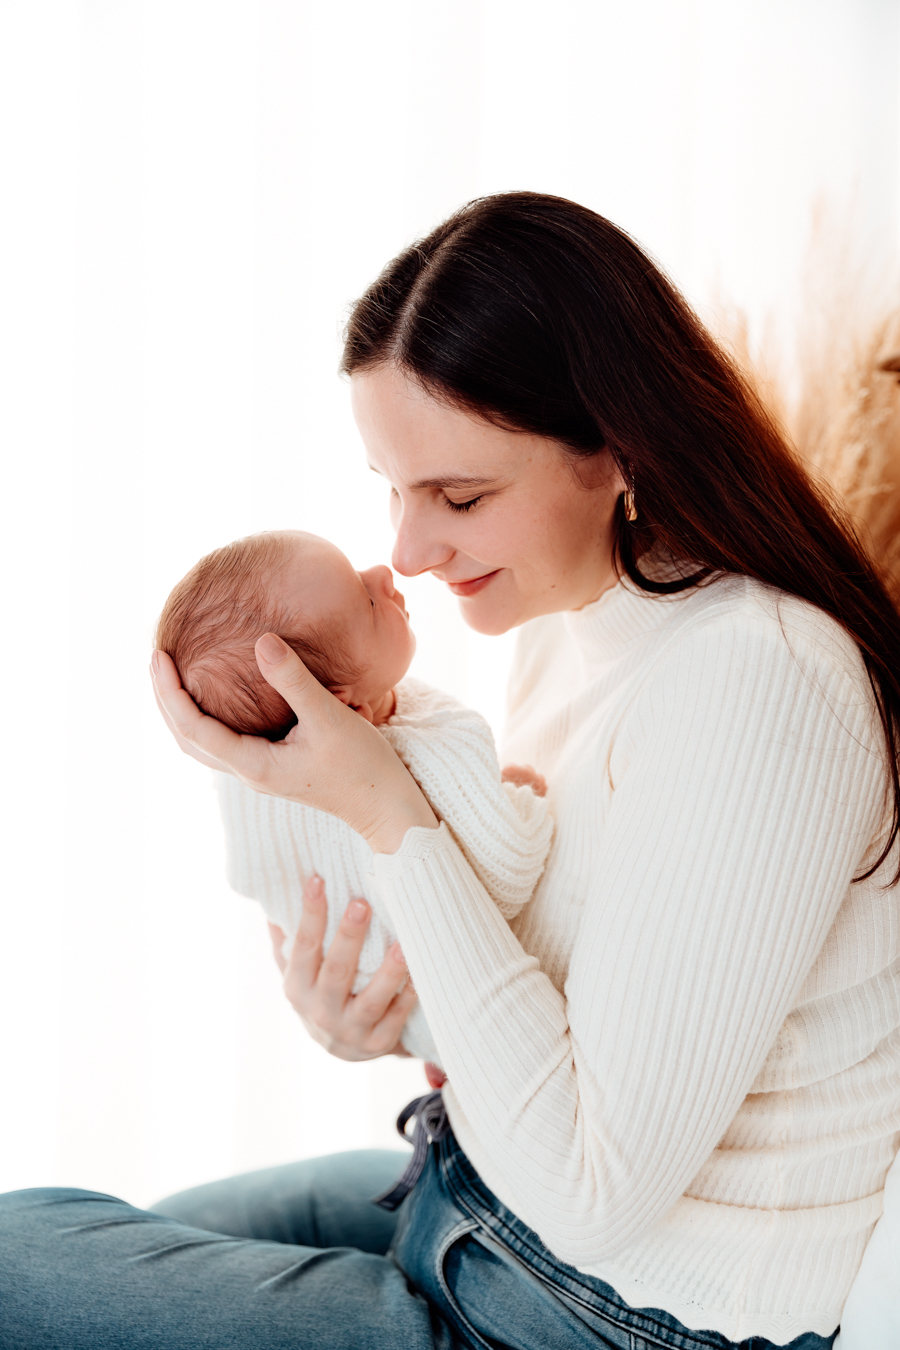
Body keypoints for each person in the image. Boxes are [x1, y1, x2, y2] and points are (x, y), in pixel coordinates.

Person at [1, 192, 898, 1350]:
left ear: (620, 446)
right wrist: (383, 1020)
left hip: (605, 1313)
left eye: (460, 498)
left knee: (19, 1265)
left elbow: (593, 1187)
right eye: (392, 485)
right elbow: (540, 996)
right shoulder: (569, 621)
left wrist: (384, 809)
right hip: (471, 1196)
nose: (408, 552)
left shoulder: (758, 679)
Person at [155, 527, 552, 1063]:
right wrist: (521, 798)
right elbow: (508, 874)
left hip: (396, 1021)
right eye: (366, 600)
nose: (384, 573)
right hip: (478, 1032)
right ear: (337, 707)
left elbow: (258, 882)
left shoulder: (249, 777)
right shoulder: (435, 748)